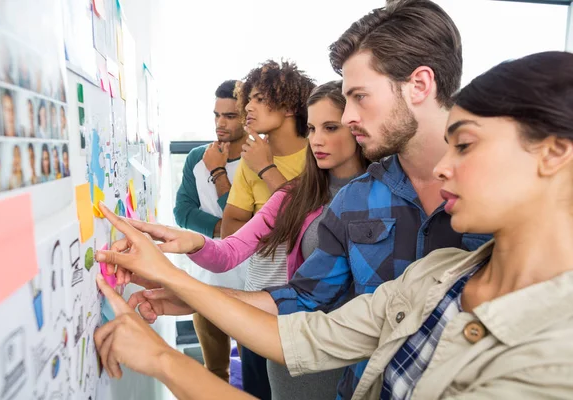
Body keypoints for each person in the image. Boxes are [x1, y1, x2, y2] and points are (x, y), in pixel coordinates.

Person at [95, 50, 573, 400]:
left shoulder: (555, 356)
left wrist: (163, 359)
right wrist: (177, 279)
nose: (445, 167)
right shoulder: (441, 274)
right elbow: (307, 326)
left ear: (554, 153)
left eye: (465, 145)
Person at [135, 81, 369, 399]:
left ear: (358, 126)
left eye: (330, 127)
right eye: (312, 128)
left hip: (346, 359)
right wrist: (194, 242)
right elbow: (230, 249)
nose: (318, 140)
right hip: (287, 352)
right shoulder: (295, 193)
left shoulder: (379, 196)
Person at [221, 60, 314, 399]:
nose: (248, 107)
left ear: (289, 105)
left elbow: (310, 219)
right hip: (256, 292)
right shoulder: (252, 158)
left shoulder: (317, 154)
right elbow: (230, 224)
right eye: (248, 99)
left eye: (259, 98)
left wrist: (265, 169)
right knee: (256, 388)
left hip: (301, 301)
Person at [172, 80, 249, 383]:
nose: (220, 123)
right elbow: (182, 211)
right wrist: (226, 230)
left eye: (229, 116)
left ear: (247, 115)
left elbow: (253, 222)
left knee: (256, 372)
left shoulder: (258, 161)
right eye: (216, 115)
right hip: (205, 283)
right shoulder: (196, 158)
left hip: (250, 287)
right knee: (215, 372)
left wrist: (218, 173)